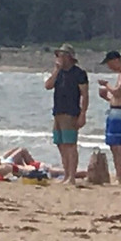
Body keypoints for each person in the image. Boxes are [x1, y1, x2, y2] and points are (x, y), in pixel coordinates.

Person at [45, 43, 89, 184]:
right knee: (60, 143)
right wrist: (56, 70)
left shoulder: (79, 73)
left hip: (71, 112)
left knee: (70, 144)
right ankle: (66, 174)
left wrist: (83, 114)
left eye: (62, 55)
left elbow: (85, 95)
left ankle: (72, 176)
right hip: (58, 111)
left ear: (68, 57)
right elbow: (48, 85)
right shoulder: (58, 73)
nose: (59, 58)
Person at [98, 50, 121, 184]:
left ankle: (120, 176)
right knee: (113, 145)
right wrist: (106, 96)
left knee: (117, 145)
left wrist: (106, 85)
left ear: (116, 60)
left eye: (110, 63)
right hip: (115, 110)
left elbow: (118, 93)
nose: (109, 67)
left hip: (119, 112)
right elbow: (116, 98)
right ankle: (118, 175)